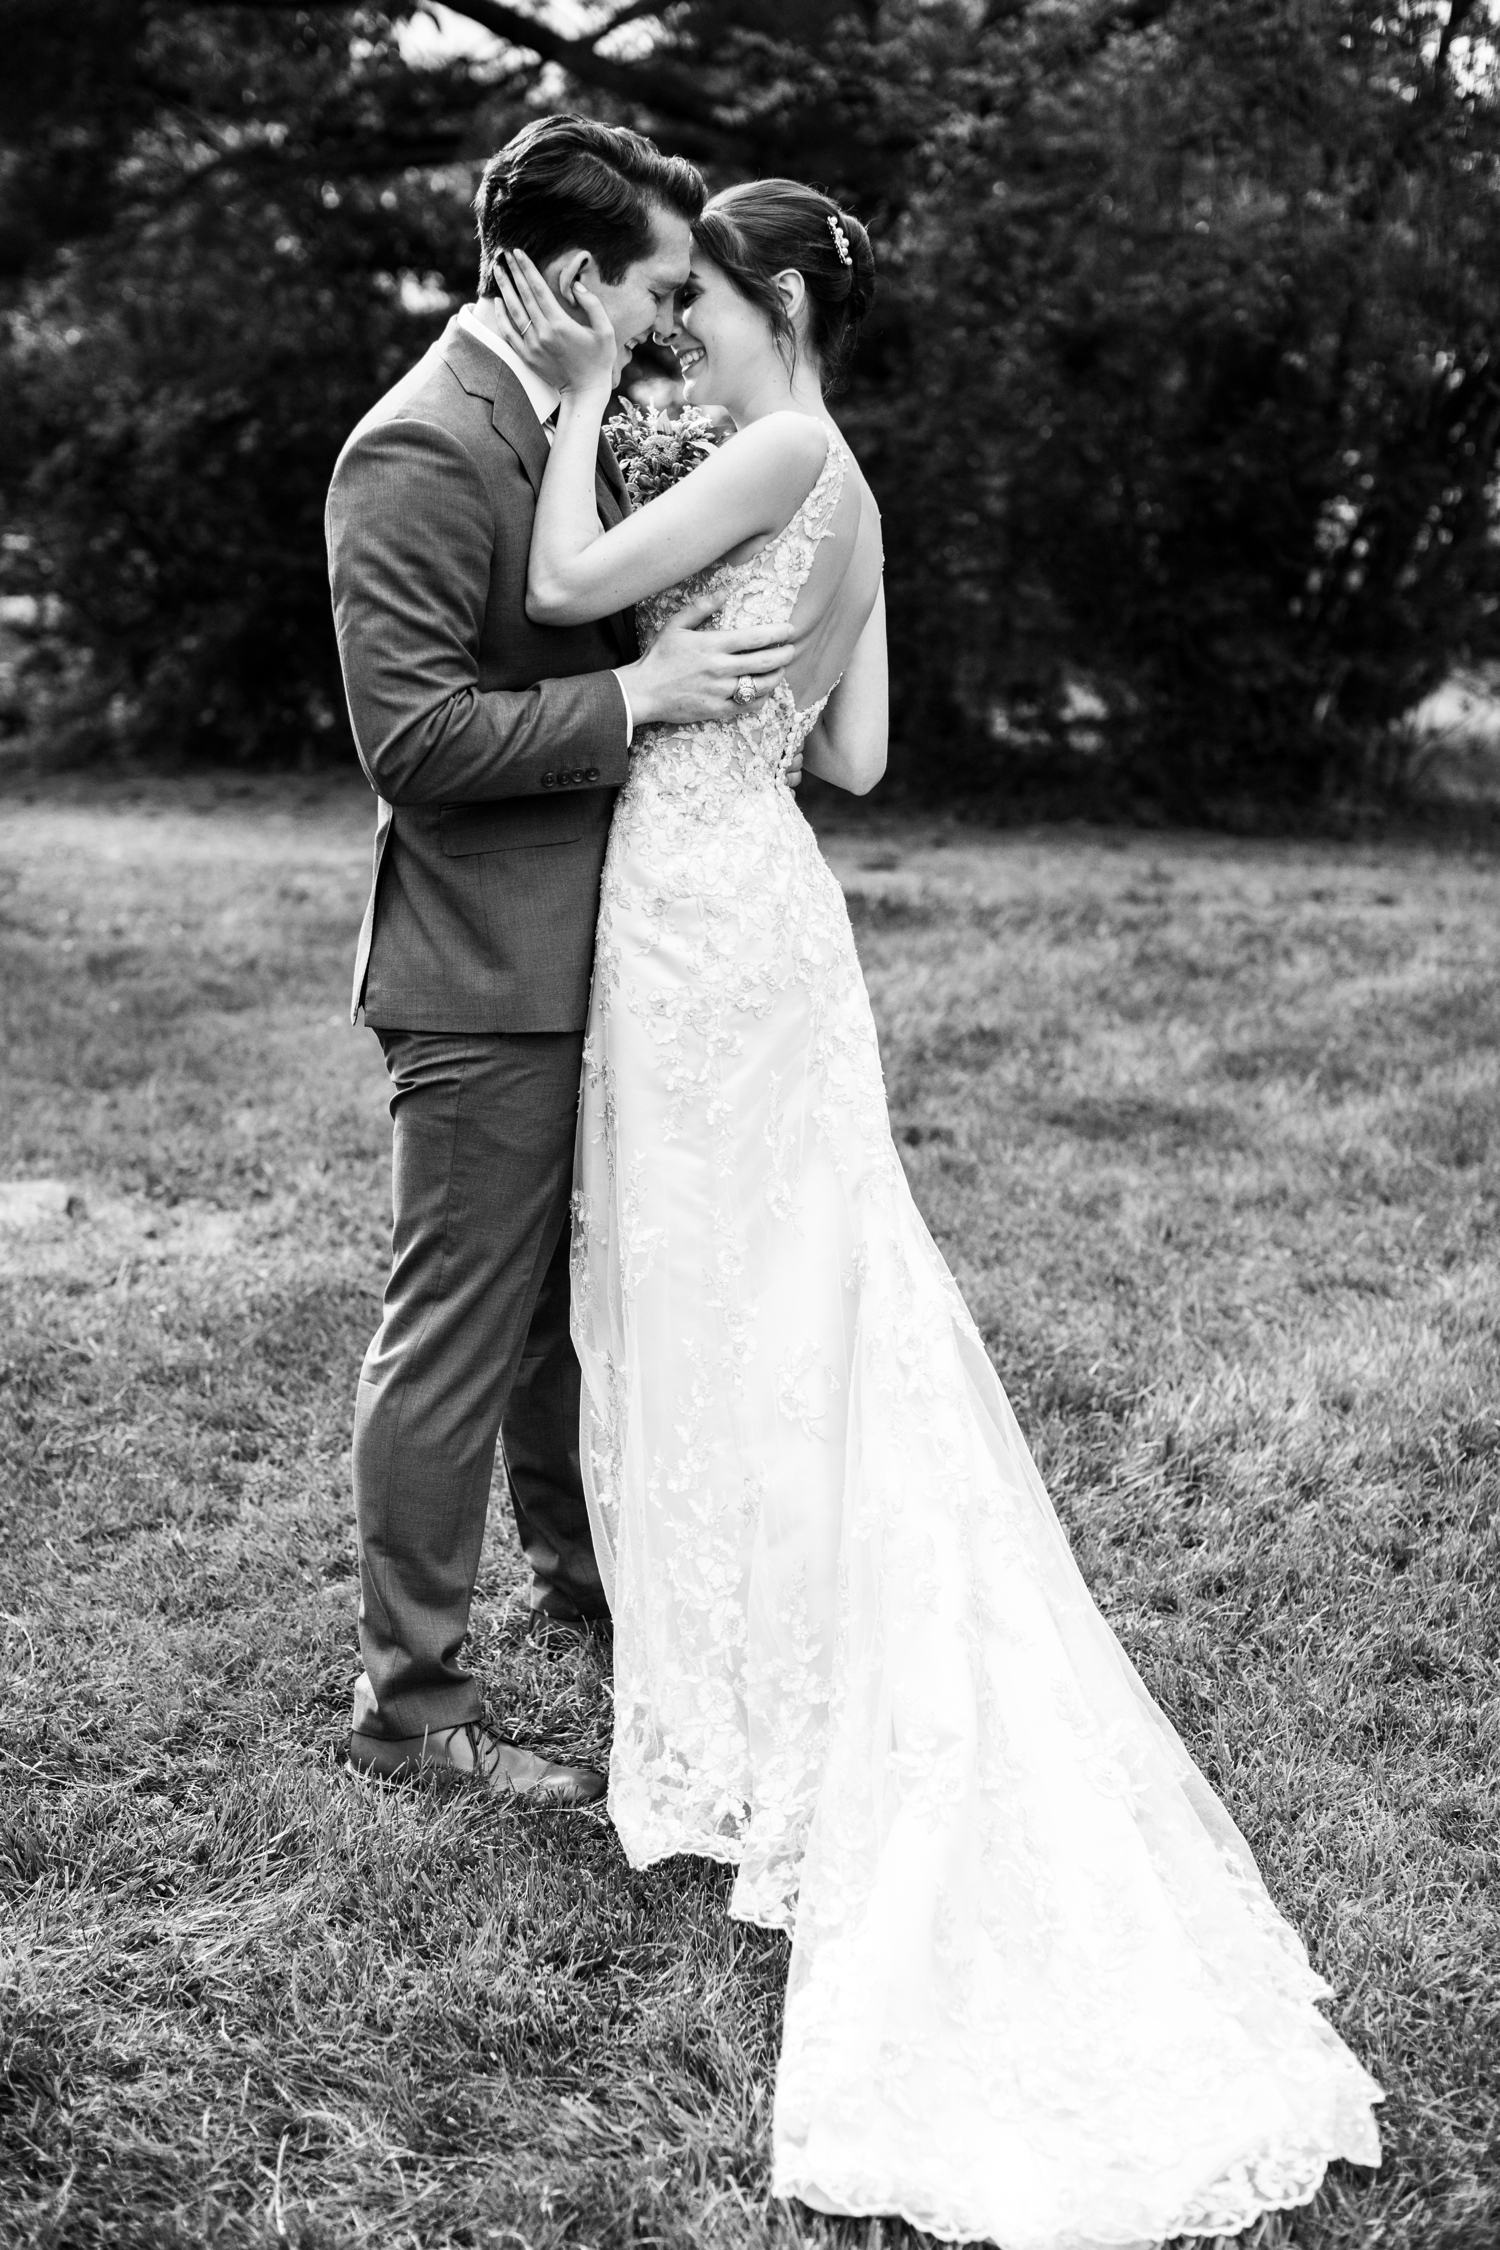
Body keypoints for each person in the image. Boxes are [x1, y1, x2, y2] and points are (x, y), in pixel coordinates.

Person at [486, 178, 1384, 2242]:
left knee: (718, 1312)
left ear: (775, 304)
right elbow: (868, 758)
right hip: (776, 910)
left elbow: (557, 579)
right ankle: (752, 1714)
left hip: (701, 924)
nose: (676, 323)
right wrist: (755, 685)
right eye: (664, 307)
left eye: (696, 298)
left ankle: (744, 1733)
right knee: (795, 1317)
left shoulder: (778, 442)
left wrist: (589, 386)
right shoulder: (851, 483)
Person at [324, 115, 803, 1804]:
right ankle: (417, 1712)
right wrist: (634, 703)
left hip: (617, 952)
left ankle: (606, 1616)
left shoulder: (574, 417)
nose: (679, 322)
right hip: (483, 970)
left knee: (572, 1328)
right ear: (577, 281)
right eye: (661, 290)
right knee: (460, 1332)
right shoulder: (417, 448)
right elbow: (412, 735)